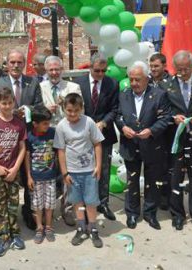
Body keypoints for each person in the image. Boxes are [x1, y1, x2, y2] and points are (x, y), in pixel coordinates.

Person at [115, 62, 171, 230]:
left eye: (137, 80)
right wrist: (123, 127)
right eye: (131, 79)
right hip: (130, 145)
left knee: (152, 181)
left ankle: (150, 213)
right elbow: (118, 115)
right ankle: (132, 213)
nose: (134, 83)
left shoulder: (160, 95)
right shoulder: (123, 94)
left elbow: (166, 118)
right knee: (132, 181)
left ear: (147, 79)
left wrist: (151, 131)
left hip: (152, 145)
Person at [0, 49, 43, 230]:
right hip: (4, 139)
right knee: (6, 178)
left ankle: (29, 213)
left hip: (27, 137)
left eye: (19, 62)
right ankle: (6, 217)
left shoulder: (33, 82)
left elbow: (39, 106)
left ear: (24, 64)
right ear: (6, 64)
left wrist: (27, 110)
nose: (16, 65)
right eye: (12, 62)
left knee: (29, 176)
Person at [54, 93, 104, 248]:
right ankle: (81, 226)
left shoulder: (88, 122)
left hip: (89, 171)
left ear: (82, 108)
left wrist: (98, 166)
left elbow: (97, 144)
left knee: (91, 201)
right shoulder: (61, 126)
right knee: (77, 201)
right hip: (72, 172)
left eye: (76, 110)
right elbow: (61, 151)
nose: (73, 114)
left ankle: (93, 228)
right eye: (69, 110)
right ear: (64, 110)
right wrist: (65, 173)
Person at [73, 53, 119, 221]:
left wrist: (104, 123)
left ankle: (103, 202)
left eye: (103, 71)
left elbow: (115, 108)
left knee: (104, 170)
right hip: (82, 135)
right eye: (97, 70)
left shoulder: (112, 83)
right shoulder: (78, 83)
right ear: (90, 67)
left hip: (104, 133)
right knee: (83, 170)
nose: (100, 74)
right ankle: (85, 203)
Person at [0, 88, 27, 257]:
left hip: (12, 170)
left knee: (13, 204)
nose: (7, 106)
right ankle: (2, 236)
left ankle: (14, 233)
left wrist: (15, 169)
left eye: (9, 103)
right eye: (3, 103)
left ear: (14, 103)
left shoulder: (19, 123)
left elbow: (23, 147)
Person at [164, 50, 192, 232]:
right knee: (175, 176)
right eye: (179, 69)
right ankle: (177, 215)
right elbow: (161, 110)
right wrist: (173, 117)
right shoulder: (167, 85)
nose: (182, 73)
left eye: (186, 69)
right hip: (175, 138)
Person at [25, 105, 58, 244]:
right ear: (35, 124)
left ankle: (49, 227)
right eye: (44, 123)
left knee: (49, 203)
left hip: (50, 177)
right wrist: (29, 176)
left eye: (48, 122)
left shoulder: (53, 133)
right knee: (37, 204)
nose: (47, 125)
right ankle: (39, 227)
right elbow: (27, 157)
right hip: (36, 178)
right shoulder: (30, 137)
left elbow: (59, 152)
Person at [148, 53, 172, 210]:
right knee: (151, 165)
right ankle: (152, 196)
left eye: (156, 66)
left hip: (167, 131)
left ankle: (165, 197)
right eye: (151, 66)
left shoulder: (172, 83)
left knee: (166, 165)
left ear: (164, 65)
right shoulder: (147, 81)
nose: (153, 69)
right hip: (149, 131)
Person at [41, 55, 82, 126]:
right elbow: (34, 111)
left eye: (57, 69)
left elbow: (81, 111)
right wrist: (46, 111)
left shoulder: (74, 87)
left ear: (62, 70)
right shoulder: (39, 87)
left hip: (69, 128)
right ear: (46, 71)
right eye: (51, 70)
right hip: (47, 130)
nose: (54, 73)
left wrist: (65, 103)